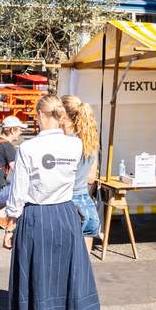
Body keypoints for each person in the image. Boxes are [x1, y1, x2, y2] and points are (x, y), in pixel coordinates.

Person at [4, 94, 100, 310]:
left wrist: (10, 225)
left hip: (37, 215)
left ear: (39, 116)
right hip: (66, 214)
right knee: (72, 279)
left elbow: (18, 193)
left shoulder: (28, 148)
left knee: (39, 282)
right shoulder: (75, 144)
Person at [61, 95, 102, 249]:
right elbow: (91, 178)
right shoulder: (90, 141)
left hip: (67, 204)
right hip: (87, 205)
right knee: (84, 261)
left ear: (63, 115)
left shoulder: (66, 143)